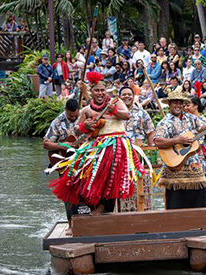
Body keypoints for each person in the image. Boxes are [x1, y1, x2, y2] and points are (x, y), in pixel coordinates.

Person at [48, 72, 146, 217]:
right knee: (78, 176)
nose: (100, 93)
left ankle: (100, 210)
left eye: (102, 90)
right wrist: (84, 126)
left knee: (108, 176)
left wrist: (112, 110)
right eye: (97, 90)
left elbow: (126, 115)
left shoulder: (115, 102)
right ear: (91, 92)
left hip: (115, 144)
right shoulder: (87, 110)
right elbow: (76, 129)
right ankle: (86, 210)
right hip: (95, 146)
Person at [154, 90, 206, 226]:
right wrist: (177, 140)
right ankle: (175, 221)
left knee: (201, 190)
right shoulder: (164, 122)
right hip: (174, 165)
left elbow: (202, 127)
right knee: (175, 195)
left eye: (180, 103)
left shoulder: (190, 117)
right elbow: (157, 141)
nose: (178, 105)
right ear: (170, 104)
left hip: (193, 163)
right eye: (175, 102)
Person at [43, 98, 82, 235]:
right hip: (64, 162)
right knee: (68, 195)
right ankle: (71, 224)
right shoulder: (57, 122)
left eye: (75, 116)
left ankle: (86, 222)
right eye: (70, 116)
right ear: (65, 110)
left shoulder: (83, 117)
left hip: (82, 161)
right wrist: (62, 145)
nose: (73, 118)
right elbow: (46, 144)